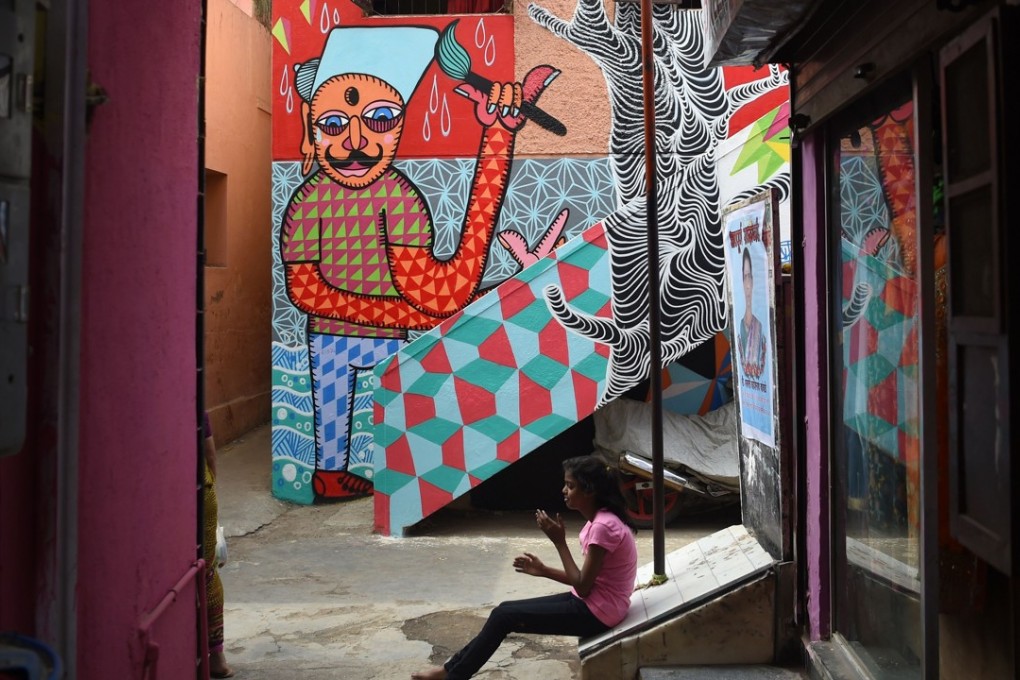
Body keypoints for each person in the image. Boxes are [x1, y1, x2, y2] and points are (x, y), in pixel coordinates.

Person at [280, 26, 564, 500]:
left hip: (388, 340)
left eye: (379, 119)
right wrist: (412, 315)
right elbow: (306, 291)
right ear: (311, 128)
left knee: (398, 417)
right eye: (333, 125)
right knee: (331, 415)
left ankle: (396, 480)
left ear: (398, 126)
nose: (355, 141)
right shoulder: (308, 201)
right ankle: (329, 474)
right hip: (333, 337)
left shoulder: (400, 195)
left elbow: (438, 290)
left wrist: (497, 137)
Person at [411, 455, 638, 680]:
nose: (564, 491)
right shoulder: (601, 521)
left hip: (598, 613)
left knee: (504, 616)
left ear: (590, 491)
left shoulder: (603, 527)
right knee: (503, 611)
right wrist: (544, 570)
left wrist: (559, 542)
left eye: (570, 486)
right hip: (596, 604)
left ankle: (453, 676)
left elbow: (584, 585)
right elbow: (585, 580)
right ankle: (448, 671)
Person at [202, 413, 234, 678]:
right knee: (207, 572)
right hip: (202, 492)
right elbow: (210, 455)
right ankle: (217, 655)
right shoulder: (197, 408)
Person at [738, 247, 767, 379]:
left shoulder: (760, 326)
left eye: (750, 277)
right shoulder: (740, 326)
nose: (748, 284)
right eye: (745, 277)